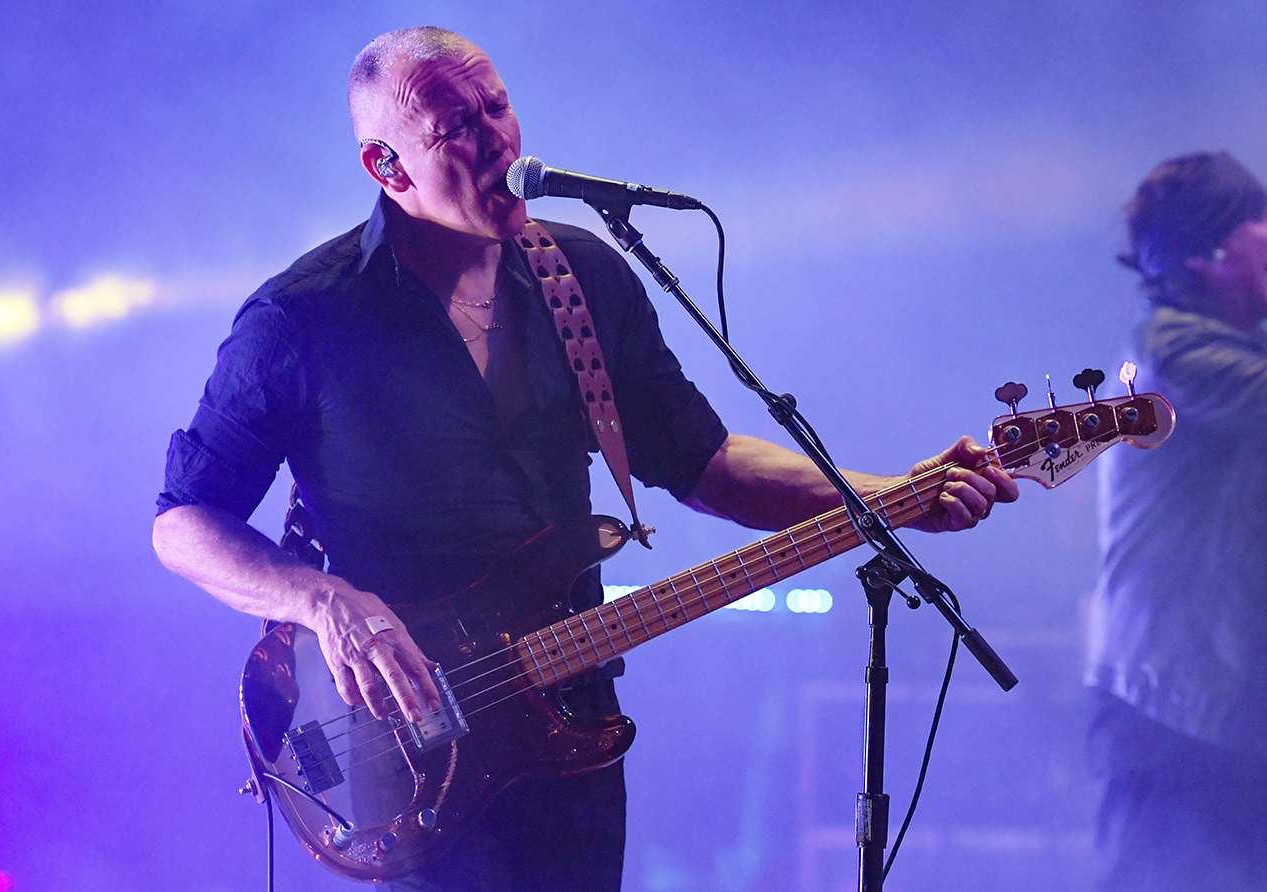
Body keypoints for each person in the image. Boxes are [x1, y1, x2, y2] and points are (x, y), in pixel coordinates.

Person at [151, 26, 1018, 892]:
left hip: (569, 734)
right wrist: (322, 602)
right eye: (458, 128)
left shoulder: (582, 276)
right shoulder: (303, 316)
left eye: (499, 107)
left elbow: (709, 463)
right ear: (387, 166)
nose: (498, 140)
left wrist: (897, 494)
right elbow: (183, 522)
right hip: (407, 753)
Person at [1088, 150, 1267, 892]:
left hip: (1227, 704)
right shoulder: (1171, 349)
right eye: (1261, 220)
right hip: (1176, 710)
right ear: (1206, 252)